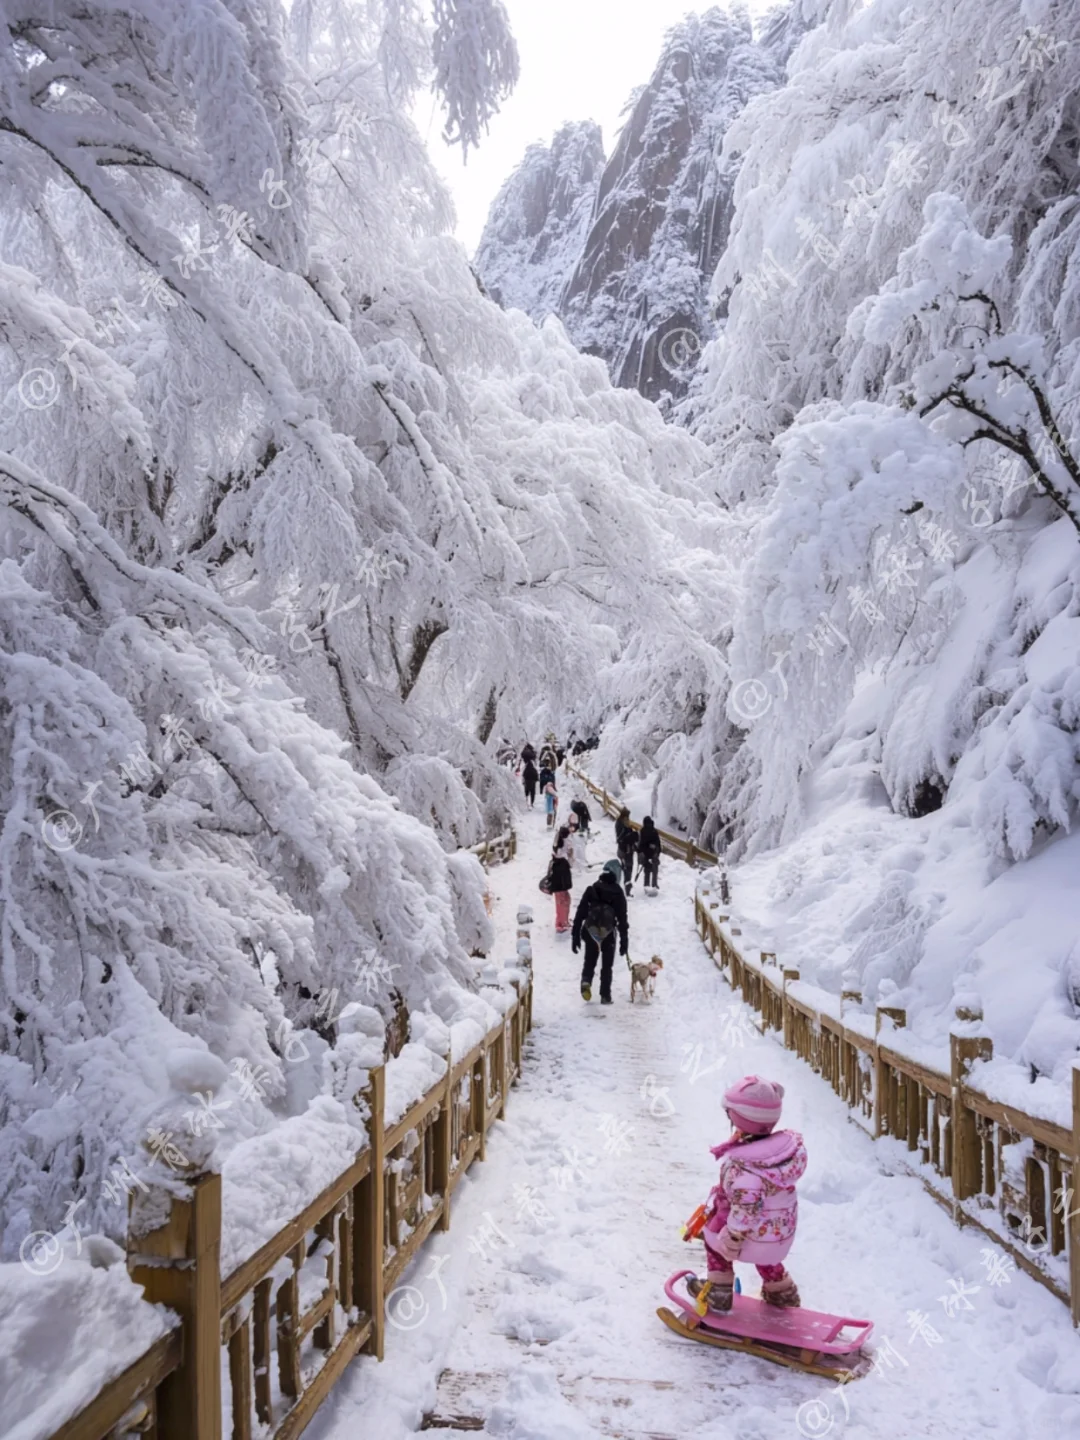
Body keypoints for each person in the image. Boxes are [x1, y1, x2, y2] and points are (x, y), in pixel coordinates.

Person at [687, 1076, 806, 1315]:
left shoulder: (745, 1167)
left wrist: (731, 1237)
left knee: (714, 1240)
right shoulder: (786, 1154)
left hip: (752, 1237)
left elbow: (746, 1210)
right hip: (779, 1236)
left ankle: (718, 1292)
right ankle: (781, 1291)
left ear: (739, 1119)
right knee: (766, 1252)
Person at [572, 859, 628, 1005]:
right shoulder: (618, 893)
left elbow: (580, 913)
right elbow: (622, 919)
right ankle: (605, 995)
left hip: (590, 931)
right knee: (607, 965)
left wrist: (575, 936)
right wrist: (624, 941)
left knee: (589, 960)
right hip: (608, 933)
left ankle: (586, 980)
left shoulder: (592, 889)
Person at [549, 825, 574, 933]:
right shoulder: (566, 843)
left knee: (559, 899)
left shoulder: (557, 841)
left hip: (556, 873)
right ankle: (563, 923)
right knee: (564, 899)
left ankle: (560, 921)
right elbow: (571, 857)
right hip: (562, 875)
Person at [614, 807, 638, 897]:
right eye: (627, 817)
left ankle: (627, 888)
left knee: (628, 869)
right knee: (627, 870)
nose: (628, 819)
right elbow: (621, 839)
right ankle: (626, 890)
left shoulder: (624, 825)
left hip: (628, 851)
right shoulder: (621, 825)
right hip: (624, 851)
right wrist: (631, 835)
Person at [638, 815, 662, 891]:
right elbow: (641, 844)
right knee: (648, 869)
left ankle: (652, 885)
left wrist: (656, 851)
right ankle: (647, 885)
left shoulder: (652, 831)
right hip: (646, 853)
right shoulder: (644, 831)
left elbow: (658, 844)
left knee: (652, 870)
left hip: (652, 853)